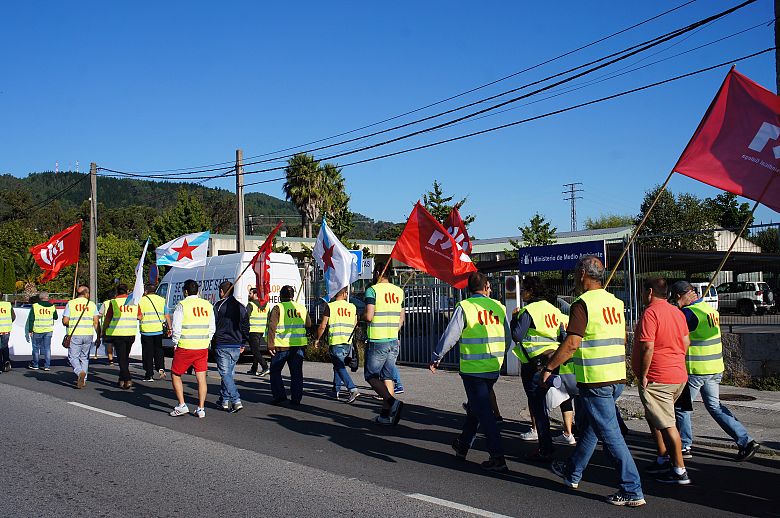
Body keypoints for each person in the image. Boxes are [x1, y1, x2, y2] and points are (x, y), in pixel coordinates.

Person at [544, 256, 645, 507]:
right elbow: (621, 338)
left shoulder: (582, 303)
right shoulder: (615, 302)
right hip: (615, 376)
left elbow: (572, 343)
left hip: (596, 379)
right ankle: (572, 472)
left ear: (581, 274)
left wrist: (549, 367)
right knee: (591, 427)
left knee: (611, 436)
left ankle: (632, 489)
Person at [431, 272, 513, 472]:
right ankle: (463, 445)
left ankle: (498, 457)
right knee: (477, 408)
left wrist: (437, 356)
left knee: (484, 412)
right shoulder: (499, 307)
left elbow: (451, 335)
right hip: (493, 367)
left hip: (473, 370)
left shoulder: (465, 307)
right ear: (486, 287)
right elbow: (508, 338)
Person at [671, 281, 761, 462]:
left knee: (682, 408)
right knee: (715, 407)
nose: (675, 302)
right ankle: (746, 441)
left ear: (682, 295)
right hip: (714, 368)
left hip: (697, 370)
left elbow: (675, 336)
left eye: (676, 298)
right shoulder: (709, 310)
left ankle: (685, 445)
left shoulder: (688, 313)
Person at [632, 278, 691, 484]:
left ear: (649, 292)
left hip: (658, 377)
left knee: (667, 424)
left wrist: (644, 374)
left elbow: (648, 346)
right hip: (678, 374)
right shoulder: (676, 312)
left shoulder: (651, 313)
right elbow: (686, 342)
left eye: (642, 292)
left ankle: (679, 470)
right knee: (656, 418)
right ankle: (664, 457)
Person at [509, 276, 565, 462]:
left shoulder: (528, 310)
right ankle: (549, 443)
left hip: (534, 364)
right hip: (553, 361)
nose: (522, 293)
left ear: (531, 291)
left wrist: (514, 319)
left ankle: (545, 447)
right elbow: (562, 334)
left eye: (524, 289)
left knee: (537, 405)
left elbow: (517, 336)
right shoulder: (554, 310)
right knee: (544, 403)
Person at [363, 263, 405, 425]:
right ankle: (386, 415)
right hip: (393, 339)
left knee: (371, 376)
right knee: (388, 376)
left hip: (377, 340)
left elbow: (369, 316)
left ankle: (392, 402)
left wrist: (360, 316)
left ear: (379, 272)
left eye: (375, 272)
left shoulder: (373, 290)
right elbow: (402, 318)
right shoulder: (399, 291)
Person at [169, 279, 215, 418]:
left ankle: (182, 405)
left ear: (186, 291)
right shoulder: (207, 305)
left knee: (176, 374)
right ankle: (201, 408)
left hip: (186, 346)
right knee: (201, 377)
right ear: (198, 291)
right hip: (202, 347)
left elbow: (176, 327)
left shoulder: (182, 305)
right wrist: (207, 340)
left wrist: (175, 343)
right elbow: (212, 327)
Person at [314, 286, 360, 403]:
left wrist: (317, 339)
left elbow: (323, 325)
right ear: (345, 294)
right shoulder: (352, 307)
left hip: (336, 341)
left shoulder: (330, 306)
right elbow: (355, 324)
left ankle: (352, 388)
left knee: (339, 366)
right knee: (338, 365)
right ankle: (336, 389)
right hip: (347, 342)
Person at [266, 285, 311, 405]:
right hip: (298, 347)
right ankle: (296, 399)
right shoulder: (301, 307)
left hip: (281, 347)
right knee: (296, 374)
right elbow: (308, 324)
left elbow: (272, 327)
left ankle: (280, 396)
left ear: (281, 296)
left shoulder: (278, 307)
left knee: (275, 371)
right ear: (293, 296)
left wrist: (270, 344)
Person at [213, 281, 249, 413]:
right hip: (236, 344)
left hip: (222, 344)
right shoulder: (241, 306)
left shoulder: (218, 306)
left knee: (225, 374)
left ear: (222, 292)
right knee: (228, 374)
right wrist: (243, 342)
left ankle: (235, 399)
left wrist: (212, 342)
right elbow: (246, 326)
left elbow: (213, 325)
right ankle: (224, 400)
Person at [62, 285, 100, 389]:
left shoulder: (71, 303)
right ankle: (84, 378)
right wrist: (99, 336)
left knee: (73, 357)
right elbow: (96, 322)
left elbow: (65, 321)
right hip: (88, 334)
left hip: (75, 334)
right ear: (86, 294)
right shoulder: (92, 305)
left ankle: (79, 372)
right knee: (85, 357)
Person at [102, 284, 138, 389]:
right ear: (127, 291)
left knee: (122, 359)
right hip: (130, 333)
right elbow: (140, 316)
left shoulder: (114, 302)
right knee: (125, 357)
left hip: (117, 334)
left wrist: (104, 330)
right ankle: (121, 379)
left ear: (117, 292)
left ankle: (127, 378)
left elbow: (108, 318)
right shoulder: (134, 302)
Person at [138, 284, 171, 381]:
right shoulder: (161, 300)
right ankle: (160, 367)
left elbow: (139, 316)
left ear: (146, 291)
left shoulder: (141, 300)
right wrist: (170, 328)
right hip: (158, 330)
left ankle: (149, 374)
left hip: (146, 331)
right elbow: (167, 315)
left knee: (148, 353)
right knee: (159, 350)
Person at [26, 292, 57, 371]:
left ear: (40, 298)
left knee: (36, 348)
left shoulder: (35, 306)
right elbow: (56, 317)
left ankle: (35, 364)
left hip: (37, 330)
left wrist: (30, 330)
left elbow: (31, 319)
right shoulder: (52, 306)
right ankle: (47, 365)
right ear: (47, 297)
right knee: (47, 348)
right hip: (48, 330)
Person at [246, 288, 270, 377]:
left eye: (250, 293)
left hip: (253, 330)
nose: (249, 295)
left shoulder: (251, 305)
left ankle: (265, 367)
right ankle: (254, 368)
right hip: (262, 330)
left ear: (256, 294)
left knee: (255, 351)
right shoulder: (266, 305)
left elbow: (245, 318)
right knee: (256, 350)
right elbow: (269, 318)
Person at [97, 294, 115, 364]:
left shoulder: (106, 303)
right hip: (118, 327)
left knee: (109, 343)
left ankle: (111, 359)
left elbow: (100, 314)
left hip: (108, 327)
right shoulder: (119, 302)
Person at [0, 292, 15, 373]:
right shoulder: (7, 305)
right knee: (5, 347)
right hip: (5, 329)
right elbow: (13, 317)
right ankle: (6, 363)